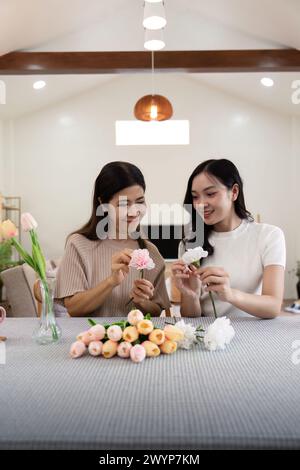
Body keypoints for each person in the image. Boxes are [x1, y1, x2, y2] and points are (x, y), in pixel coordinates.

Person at [50, 161, 170, 317]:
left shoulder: (150, 253)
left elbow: (157, 311)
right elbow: (73, 308)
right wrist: (111, 282)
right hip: (91, 339)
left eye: (140, 202)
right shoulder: (78, 245)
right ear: (103, 204)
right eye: (123, 204)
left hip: (135, 340)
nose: (134, 212)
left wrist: (142, 301)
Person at [171, 159, 286, 319]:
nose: (200, 204)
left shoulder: (269, 236)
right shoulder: (189, 243)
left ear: (234, 192)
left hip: (255, 334)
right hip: (208, 337)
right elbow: (191, 316)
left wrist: (230, 294)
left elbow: (273, 306)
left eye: (210, 194)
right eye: (195, 197)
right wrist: (190, 295)